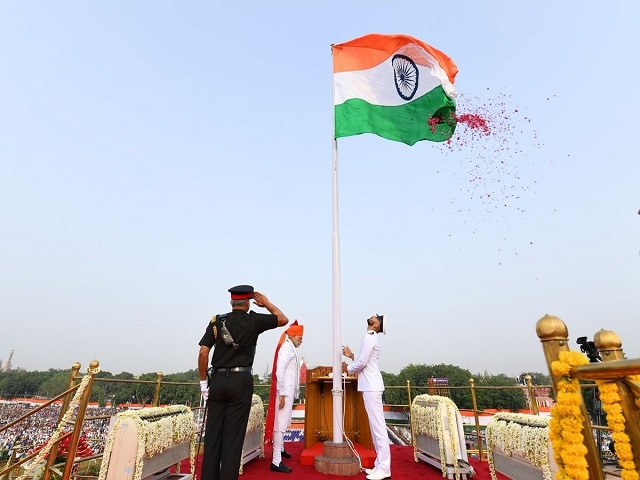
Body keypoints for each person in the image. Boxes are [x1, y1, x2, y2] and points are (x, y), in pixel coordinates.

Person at [198, 285, 289, 480]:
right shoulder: (254, 320)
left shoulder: (217, 322)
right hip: (241, 381)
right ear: (248, 302)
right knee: (233, 438)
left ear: (232, 302)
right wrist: (267, 304)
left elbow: (203, 352)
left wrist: (203, 383)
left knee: (213, 435)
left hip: (218, 381)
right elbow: (283, 319)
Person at [342, 314, 390, 480]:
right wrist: (352, 356)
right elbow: (364, 361)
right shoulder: (371, 337)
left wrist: (348, 367)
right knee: (374, 428)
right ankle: (379, 465)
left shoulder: (370, 337)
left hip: (371, 386)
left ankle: (384, 468)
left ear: (376, 325)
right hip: (370, 385)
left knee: (378, 429)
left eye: (376, 317)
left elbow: (362, 363)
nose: (372, 316)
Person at [264, 320, 304, 473]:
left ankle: (280, 450)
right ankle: (276, 461)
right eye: (300, 338)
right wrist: (281, 394)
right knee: (280, 426)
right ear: (293, 336)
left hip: (287, 393)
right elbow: (279, 372)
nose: (301, 340)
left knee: (284, 423)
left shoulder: (291, 347)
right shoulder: (287, 348)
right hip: (284, 393)